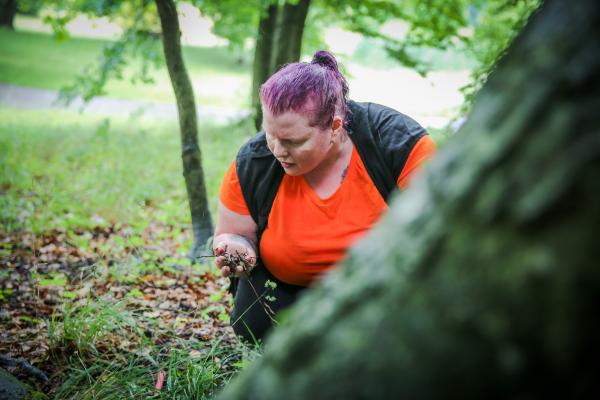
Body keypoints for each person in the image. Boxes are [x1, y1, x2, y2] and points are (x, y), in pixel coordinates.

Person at [213, 50, 436, 342]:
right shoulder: (254, 161)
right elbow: (232, 233)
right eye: (270, 134)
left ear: (334, 126)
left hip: (382, 296)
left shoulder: (400, 144)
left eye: (293, 141)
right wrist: (235, 246)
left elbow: (441, 232)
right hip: (283, 295)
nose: (277, 150)